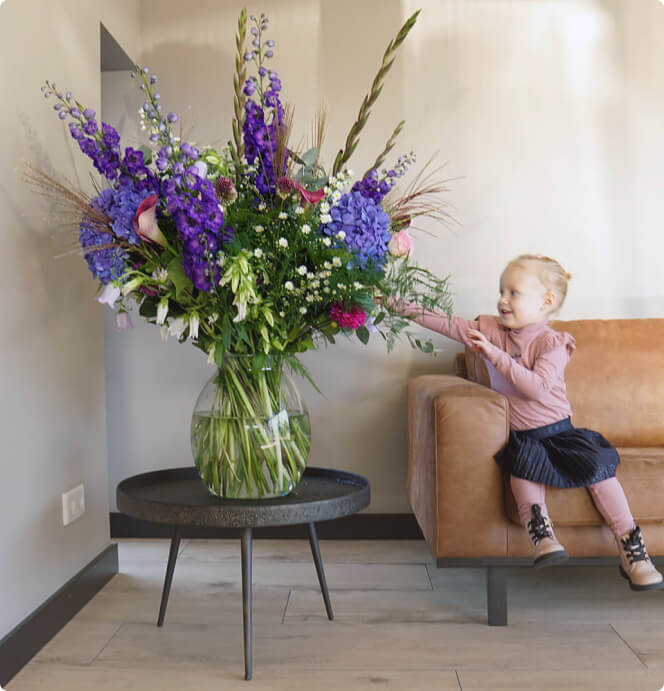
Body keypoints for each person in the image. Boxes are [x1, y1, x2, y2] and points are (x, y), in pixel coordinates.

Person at [390, 253, 663, 590]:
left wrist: (494, 354)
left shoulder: (553, 343)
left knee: (601, 473)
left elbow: (536, 388)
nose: (502, 300)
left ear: (546, 302)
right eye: (501, 291)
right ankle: (542, 534)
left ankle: (632, 549)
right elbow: (445, 322)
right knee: (521, 469)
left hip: (561, 433)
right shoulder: (488, 329)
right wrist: (394, 303)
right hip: (525, 436)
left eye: (513, 293)